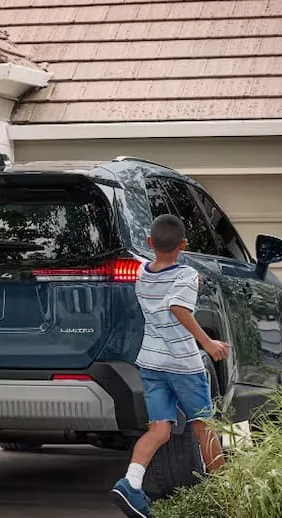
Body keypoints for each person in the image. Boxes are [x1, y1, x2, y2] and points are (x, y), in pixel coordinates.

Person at [112, 214, 230, 517]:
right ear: (184, 245)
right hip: (182, 364)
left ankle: (131, 483)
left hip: (151, 362)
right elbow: (177, 306)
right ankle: (226, 493)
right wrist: (208, 343)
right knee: (205, 426)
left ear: (150, 243)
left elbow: (163, 280)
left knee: (160, 430)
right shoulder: (186, 275)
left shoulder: (142, 272)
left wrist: (190, 280)